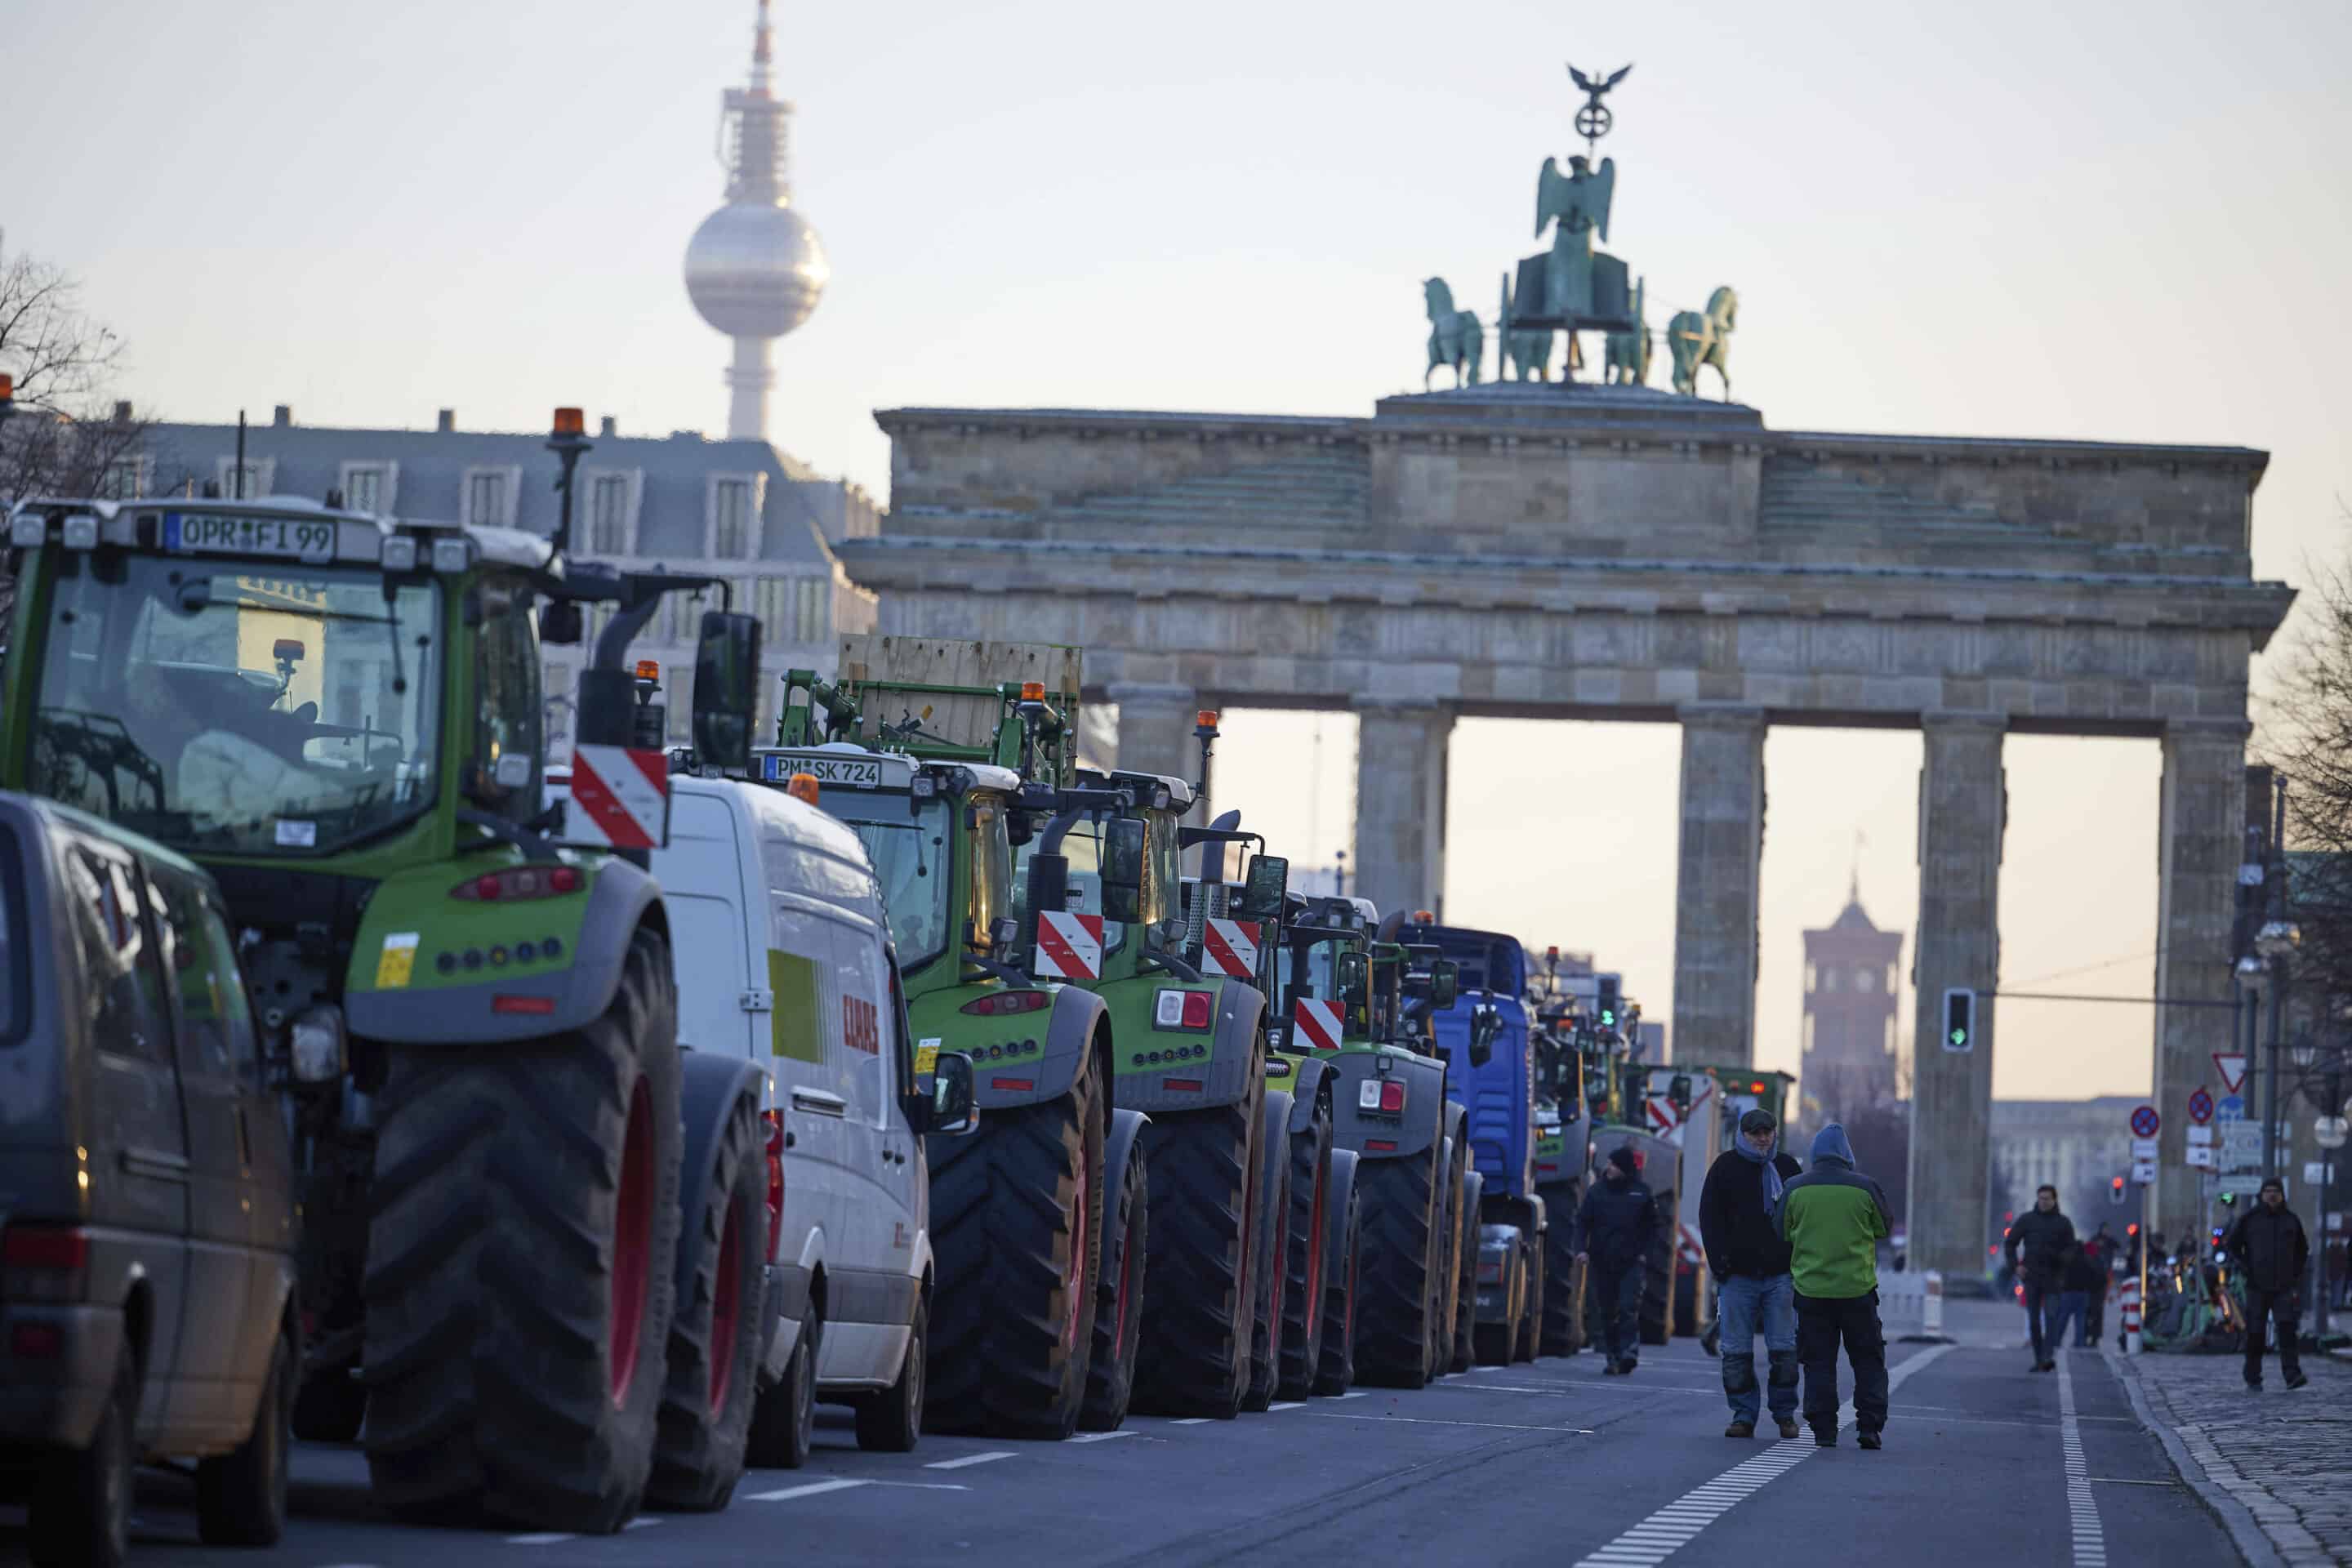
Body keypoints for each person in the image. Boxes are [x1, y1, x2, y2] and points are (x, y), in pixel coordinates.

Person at [1776, 1123, 1894, 1450]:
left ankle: (1823, 1429)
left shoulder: (1795, 1188)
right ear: (1847, 1154)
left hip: (1812, 1291)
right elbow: (1883, 1227)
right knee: (1868, 1360)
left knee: (1819, 1362)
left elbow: (1781, 1230)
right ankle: (1869, 1427)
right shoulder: (1865, 1187)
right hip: (1857, 1290)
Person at [1699, 1108, 1805, 1439]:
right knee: (1736, 1351)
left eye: (1767, 1132)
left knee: (1785, 1350)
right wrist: (1721, 1265)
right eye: (1755, 1132)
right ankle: (1743, 1416)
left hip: (1779, 1275)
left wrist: (1796, 1264)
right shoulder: (1725, 1168)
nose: (1762, 1138)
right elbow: (1710, 1219)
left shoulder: (1787, 1168)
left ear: (1775, 1133)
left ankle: (1785, 1414)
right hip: (1738, 1277)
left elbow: (1802, 1219)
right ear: (1743, 1134)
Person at [1574, 1146, 1659, 1375]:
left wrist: (1645, 1254)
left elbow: (1654, 1229)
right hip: (1602, 1261)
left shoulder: (1642, 1193)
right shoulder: (1596, 1192)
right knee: (1607, 1311)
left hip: (1632, 1262)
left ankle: (1629, 1352)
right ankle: (1613, 1356)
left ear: (1624, 1168)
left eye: (1613, 1164)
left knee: (1628, 1307)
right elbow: (1582, 1223)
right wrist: (1581, 1250)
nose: (1609, 1168)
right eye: (1609, 1163)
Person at [2224, 1178, 2310, 1392]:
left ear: (2282, 1195)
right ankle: (2253, 1376)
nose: (2272, 1195)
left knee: (2286, 1328)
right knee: (2256, 1332)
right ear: (2261, 1195)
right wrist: (2245, 1268)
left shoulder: (2291, 1220)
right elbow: (2232, 1246)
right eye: (2268, 1191)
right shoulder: (2250, 1219)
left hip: (2283, 1286)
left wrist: (2295, 1274)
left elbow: (2302, 1250)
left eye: (2276, 1191)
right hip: (2257, 1285)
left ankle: (2292, 1374)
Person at [2003, 1185, 2076, 1371]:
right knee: (2034, 1321)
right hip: (2032, 1277)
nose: (2043, 1202)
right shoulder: (2027, 1220)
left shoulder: (2063, 1223)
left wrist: (2062, 1259)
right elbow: (2010, 1243)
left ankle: (2047, 1355)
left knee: (2051, 1318)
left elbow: (2071, 1248)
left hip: (2054, 1278)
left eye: (2047, 1199)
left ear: (2054, 1200)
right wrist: (2016, 1266)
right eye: (2041, 1198)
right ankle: (2039, 1359)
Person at [2047, 1239, 2099, 1351]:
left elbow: (2060, 1273)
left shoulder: (2068, 1260)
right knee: (2080, 1318)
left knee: (2063, 1317)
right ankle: (2079, 1341)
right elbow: (2094, 1275)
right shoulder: (2087, 1260)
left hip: (2068, 1292)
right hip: (2083, 1293)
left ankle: (2056, 1340)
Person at [2082, 1223, 2114, 1345]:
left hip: (2099, 1285)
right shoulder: (2094, 1244)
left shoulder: (2108, 1243)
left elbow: (2117, 1245)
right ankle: (2088, 1335)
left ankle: (2094, 1336)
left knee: (2096, 1312)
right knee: (2089, 1312)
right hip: (2092, 1287)